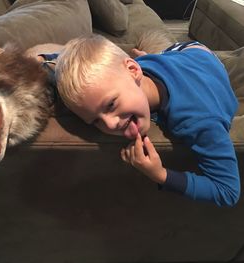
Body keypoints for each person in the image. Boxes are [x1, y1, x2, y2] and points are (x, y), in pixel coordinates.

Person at [53, 34, 240, 207]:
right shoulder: (126, 78)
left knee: (156, 44)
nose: (109, 124)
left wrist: (162, 175)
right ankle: (152, 57)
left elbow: (228, 191)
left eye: (110, 105)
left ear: (134, 70)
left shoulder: (201, 121)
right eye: (95, 121)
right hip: (163, 62)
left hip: (193, 52)